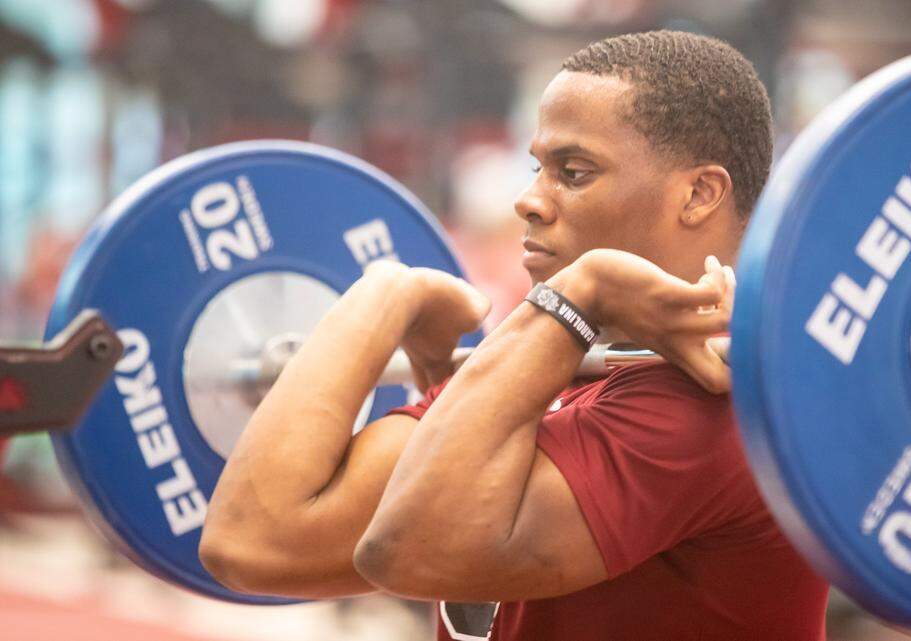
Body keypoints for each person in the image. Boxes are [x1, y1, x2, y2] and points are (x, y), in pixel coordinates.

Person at [200, 30, 829, 640]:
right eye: (537, 168)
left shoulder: (716, 408)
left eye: (574, 172)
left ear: (699, 194)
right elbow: (252, 543)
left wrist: (581, 293)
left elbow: (408, 551)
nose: (528, 200)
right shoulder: (545, 364)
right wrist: (387, 291)